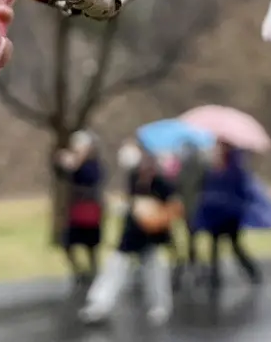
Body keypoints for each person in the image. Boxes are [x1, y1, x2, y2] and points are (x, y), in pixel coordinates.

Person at [79, 138, 181, 326]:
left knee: (156, 271)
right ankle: (99, 305)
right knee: (115, 266)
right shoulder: (134, 178)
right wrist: (127, 207)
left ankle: (160, 306)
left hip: (153, 235)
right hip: (132, 233)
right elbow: (132, 201)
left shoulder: (162, 182)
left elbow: (174, 207)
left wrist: (156, 214)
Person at [196, 141, 261, 291]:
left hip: (231, 214)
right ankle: (214, 278)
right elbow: (206, 187)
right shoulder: (213, 170)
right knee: (214, 246)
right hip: (216, 213)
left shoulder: (235, 170)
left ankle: (252, 272)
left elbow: (241, 191)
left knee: (235, 245)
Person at [53, 129, 104, 282]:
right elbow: (61, 173)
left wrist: (77, 163)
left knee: (91, 244)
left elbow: (92, 178)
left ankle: (94, 271)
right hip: (76, 208)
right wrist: (61, 161)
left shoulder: (93, 164)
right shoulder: (73, 162)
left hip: (90, 207)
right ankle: (78, 272)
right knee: (68, 242)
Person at [173, 141, 208, 284]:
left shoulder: (195, 168)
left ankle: (193, 265)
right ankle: (192, 264)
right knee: (191, 238)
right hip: (191, 207)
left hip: (193, 207)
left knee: (192, 238)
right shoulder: (196, 167)